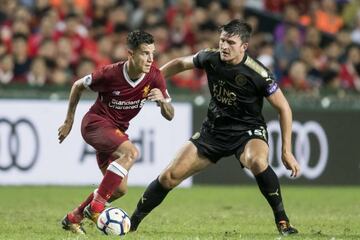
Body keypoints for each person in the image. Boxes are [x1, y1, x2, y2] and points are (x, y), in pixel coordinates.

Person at [130, 20, 300, 236]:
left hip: (247, 131)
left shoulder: (258, 73)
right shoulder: (210, 58)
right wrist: (152, 81)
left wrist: (287, 150)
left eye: (230, 42)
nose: (224, 46)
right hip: (213, 131)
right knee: (169, 176)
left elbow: (284, 108)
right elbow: (180, 63)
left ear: (244, 47)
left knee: (257, 161)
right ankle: (131, 223)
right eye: (222, 40)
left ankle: (282, 221)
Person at [58, 30, 174, 234]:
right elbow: (77, 86)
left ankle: (73, 217)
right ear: (130, 53)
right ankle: (96, 208)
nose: (150, 59)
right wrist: (68, 121)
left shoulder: (155, 76)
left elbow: (170, 115)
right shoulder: (110, 73)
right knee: (131, 153)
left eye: (152, 53)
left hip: (116, 131)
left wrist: (163, 102)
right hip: (96, 124)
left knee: (119, 189)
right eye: (145, 53)